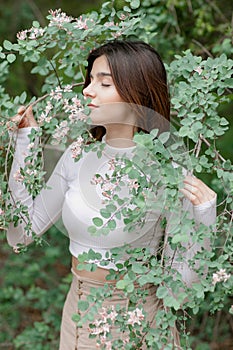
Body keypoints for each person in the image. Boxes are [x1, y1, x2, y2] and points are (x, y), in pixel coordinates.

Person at [7, 40, 216, 349]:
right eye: (90, 80)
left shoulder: (167, 174)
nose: (88, 91)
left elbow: (181, 290)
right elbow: (20, 233)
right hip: (78, 318)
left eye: (104, 82)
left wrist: (204, 217)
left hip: (141, 325)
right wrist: (26, 142)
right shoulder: (76, 158)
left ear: (136, 94)